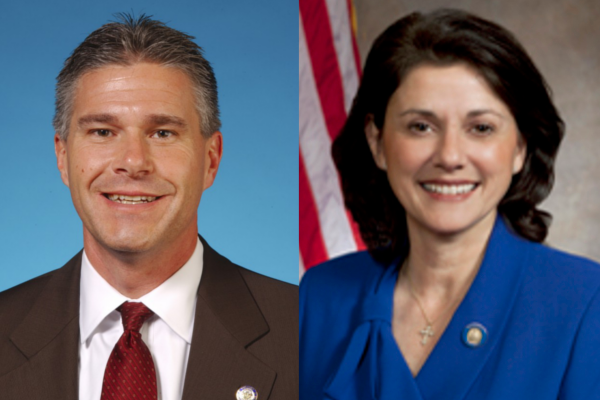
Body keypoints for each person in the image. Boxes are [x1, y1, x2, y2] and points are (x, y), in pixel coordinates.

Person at [300, 9, 600, 400]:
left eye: (481, 128)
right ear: (377, 142)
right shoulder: (318, 296)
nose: (450, 156)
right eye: (421, 126)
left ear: (520, 148)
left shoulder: (585, 302)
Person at [0, 14, 298, 400]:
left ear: (211, 159)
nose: (133, 162)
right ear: (62, 156)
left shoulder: (308, 332)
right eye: (103, 132)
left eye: (162, 133)